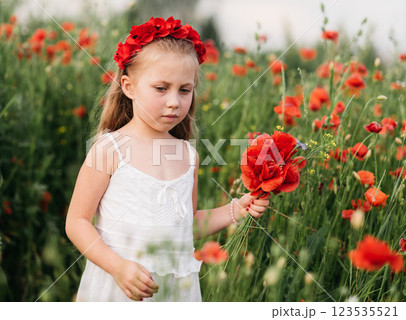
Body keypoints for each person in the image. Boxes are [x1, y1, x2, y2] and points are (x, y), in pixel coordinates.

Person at [65, 16, 270, 302]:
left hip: (176, 290)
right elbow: (76, 222)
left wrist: (236, 209)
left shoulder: (188, 155)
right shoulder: (110, 148)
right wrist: (118, 267)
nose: (174, 101)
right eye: (161, 89)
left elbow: (187, 224)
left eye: (184, 90)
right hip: (119, 286)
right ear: (129, 87)